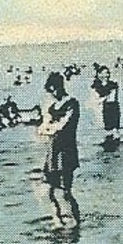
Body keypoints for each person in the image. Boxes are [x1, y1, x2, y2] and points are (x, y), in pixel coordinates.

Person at [38, 72, 82, 226]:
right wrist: (48, 127)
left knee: (65, 192)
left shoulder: (72, 104)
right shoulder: (51, 106)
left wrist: (49, 128)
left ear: (60, 87)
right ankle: (57, 221)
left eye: (54, 90)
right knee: (48, 191)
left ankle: (76, 222)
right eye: (50, 91)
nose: (53, 94)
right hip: (53, 151)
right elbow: (43, 127)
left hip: (66, 151)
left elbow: (61, 126)